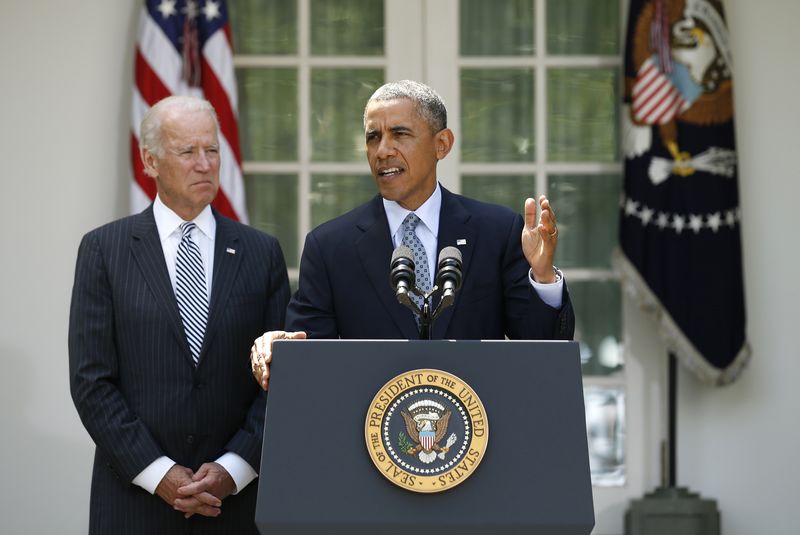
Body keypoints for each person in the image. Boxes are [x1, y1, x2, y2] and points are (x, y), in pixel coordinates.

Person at [250, 80, 574, 390]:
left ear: (441, 144)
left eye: (400, 134)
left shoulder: (497, 231)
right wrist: (281, 350)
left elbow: (542, 352)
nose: (382, 151)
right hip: (369, 437)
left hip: (478, 434)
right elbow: (305, 361)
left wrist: (543, 277)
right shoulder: (330, 247)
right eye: (373, 137)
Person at [69, 95, 290, 533]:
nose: (205, 164)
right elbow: (91, 381)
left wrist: (233, 469)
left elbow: (283, 380)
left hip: (237, 506)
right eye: (188, 152)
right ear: (149, 161)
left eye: (211, 150)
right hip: (134, 504)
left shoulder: (261, 253)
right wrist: (158, 474)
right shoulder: (104, 250)